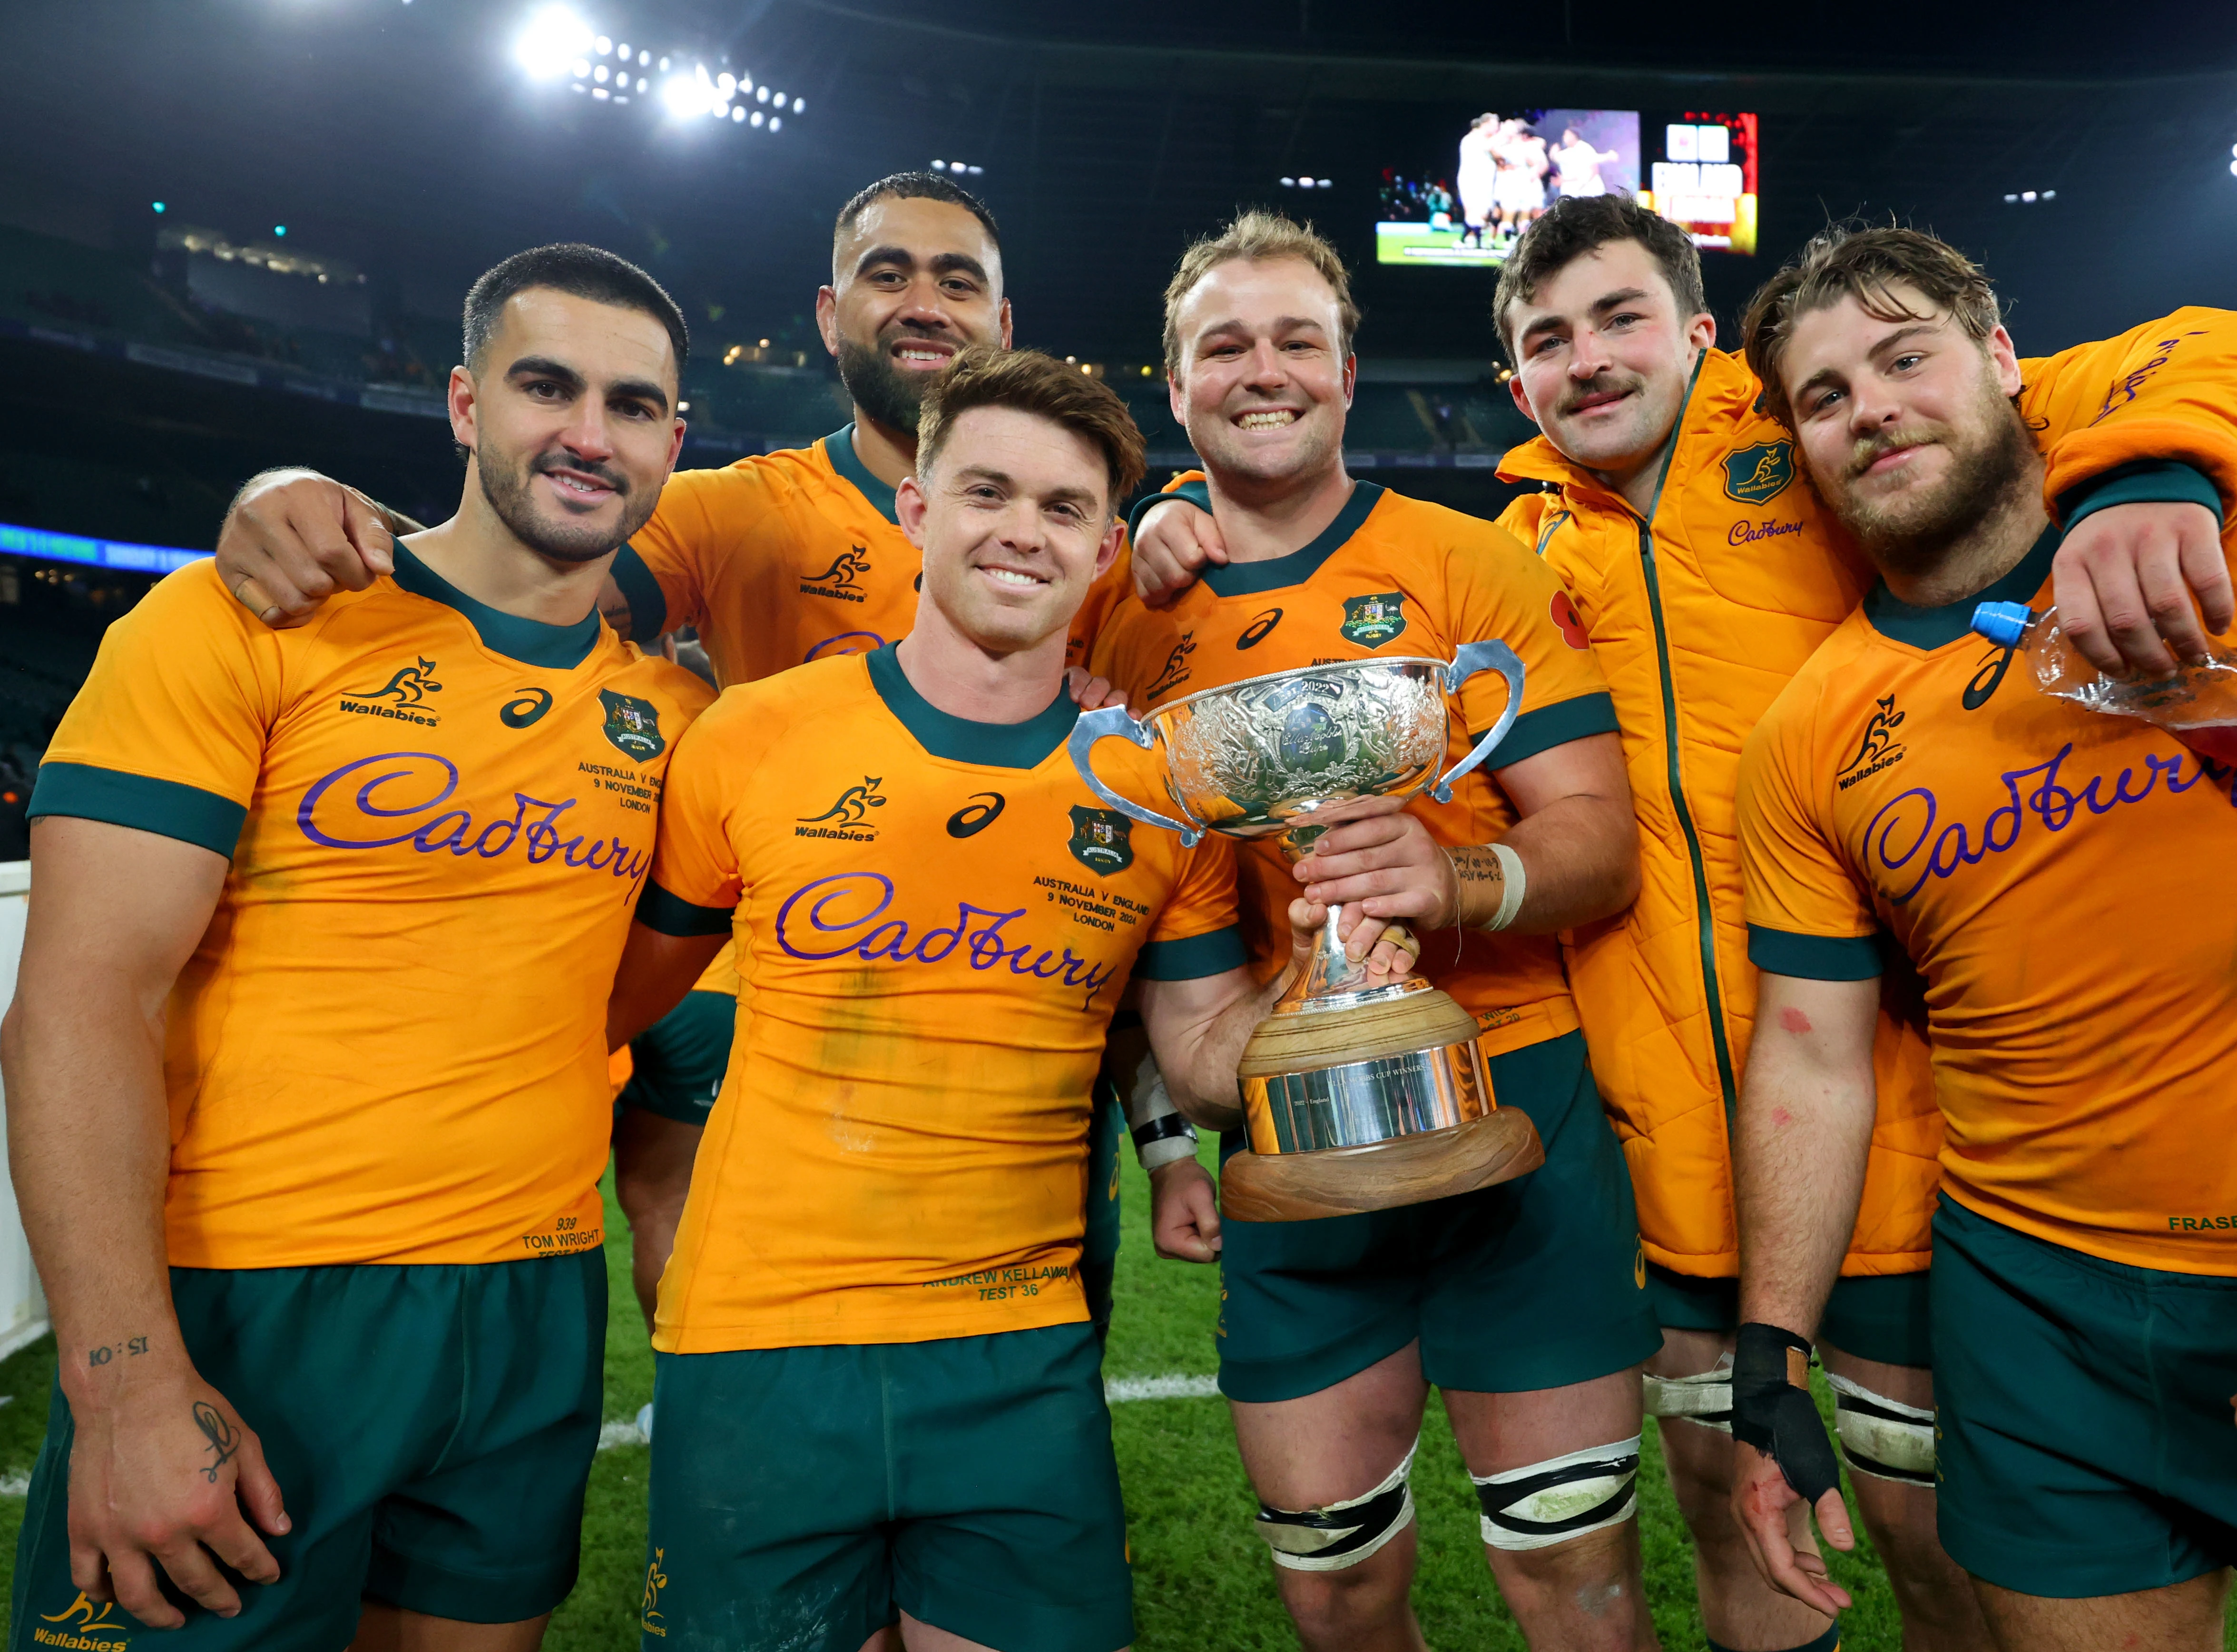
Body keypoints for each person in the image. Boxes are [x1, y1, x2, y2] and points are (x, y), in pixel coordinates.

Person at [1129, 194, 2237, 1652]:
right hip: (1670, 1144)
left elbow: (2235, 349)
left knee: (1943, 1542)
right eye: (1545, 340)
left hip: (1901, 1103)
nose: (1585, 360)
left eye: (1619, 317)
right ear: (1511, 386)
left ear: (1702, 338)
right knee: (1742, 1526)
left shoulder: (1831, 424)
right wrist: (1167, 515)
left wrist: (2164, 472)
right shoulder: (1512, 545)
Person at [205, 171, 1164, 1345]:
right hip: (778, 971)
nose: (922, 302)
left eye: (956, 280)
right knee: (724, 1250)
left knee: (1056, 1285)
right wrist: (293, 500)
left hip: (1016, 974)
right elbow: (517, 587)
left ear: (1001, 325)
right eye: (886, 273)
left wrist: (1178, 523)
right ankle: (729, 1428)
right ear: (828, 315)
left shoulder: (1085, 537)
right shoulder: (730, 509)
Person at [1728, 223, 2237, 1652]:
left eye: (1902, 356)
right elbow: (1810, 1057)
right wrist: (1768, 1359)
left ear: (2005, 362)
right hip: (2033, 1317)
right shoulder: (1806, 732)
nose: (1868, 405)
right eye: (1822, 397)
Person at [609, 346, 1389, 1652]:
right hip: (756, 1343)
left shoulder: (1155, 788)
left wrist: (1329, 974)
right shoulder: (750, 736)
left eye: (1066, 509)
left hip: (1019, 1354)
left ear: (1102, 556)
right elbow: (618, 998)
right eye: (986, 492)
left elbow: (1202, 1055)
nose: (1023, 532)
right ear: (917, 513)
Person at [1, 245, 712, 1652]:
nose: (588, 430)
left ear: (673, 444)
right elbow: (82, 997)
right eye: (544, 384)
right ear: (461, 403)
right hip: (249, 1292)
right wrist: (127, 1383)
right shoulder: (242, 617)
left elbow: (629, 995)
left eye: (633, 405)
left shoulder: (680, 721)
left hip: (531, 1299)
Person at [1096, 210, 1658, 1652]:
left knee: (1572, 1582)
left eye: (1297, 340)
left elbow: (1597, 835)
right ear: (1177, 388)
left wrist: (1455, 882)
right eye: (1223, 344)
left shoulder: (1470, 568)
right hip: (1288, 1126)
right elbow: (1162, 943)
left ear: (1350, 374)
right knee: (1334, 1588)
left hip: (1510, 1088)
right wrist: (1212, 1091)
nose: (1262, 368)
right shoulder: (1122, 619)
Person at [1494, 120, 1550, 240]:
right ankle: (1516, 238)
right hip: (1518, 181)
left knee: (1516, 211)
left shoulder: (1518, 147)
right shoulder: (1525, 147)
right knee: (1517, 211)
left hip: (1520, 181)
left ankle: (1511, 239)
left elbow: (1496, 153)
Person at [1457, 113, 1501, 248]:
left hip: (1485, 181)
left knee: (1483, 213)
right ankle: (1467, 239)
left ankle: (1470, 238)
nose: (1497, 129)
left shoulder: (1484, 139)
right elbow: (1497, 154)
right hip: (1474, 181)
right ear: (1486, 124)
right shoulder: (1475, 139)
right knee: (1474, 212)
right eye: (1495, 126)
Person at [1550, 126, 1621, 199]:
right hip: (1575, 191)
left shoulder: (1584, 148)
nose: (1564, 137)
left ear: (1574, 136)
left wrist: (1608, 156)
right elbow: (1557, 158)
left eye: (1566, 134)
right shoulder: (1568, 152)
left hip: (1589, 190)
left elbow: (1594, 162)